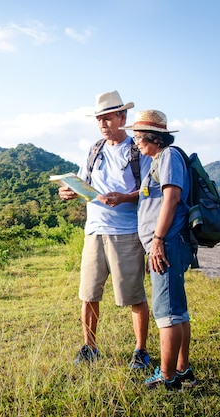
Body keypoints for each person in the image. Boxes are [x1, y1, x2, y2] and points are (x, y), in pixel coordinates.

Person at [59, 90, 152, 369]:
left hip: (126, 231)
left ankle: (141, 351)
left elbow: (150, 189)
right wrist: (69, 191)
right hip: (94, 230)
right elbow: (83, 183)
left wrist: (124, 197)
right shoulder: (94, 149)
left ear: (122, 117)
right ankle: (89, 346)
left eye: (108, 118)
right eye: (99, 119)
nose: (102, 124)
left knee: (133, 295)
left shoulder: (138, 151)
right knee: (88, 293)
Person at [119, 110, 197, 390]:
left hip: (167, 243)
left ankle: (167, 376)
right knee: (178, 310)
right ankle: (182, 368)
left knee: (166, 312)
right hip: (167, 242)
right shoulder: (159, 160)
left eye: (139, 137)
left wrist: (158, 240)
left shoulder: (169, 157)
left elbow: (172, 198)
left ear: (154, 137)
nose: (136, 142)